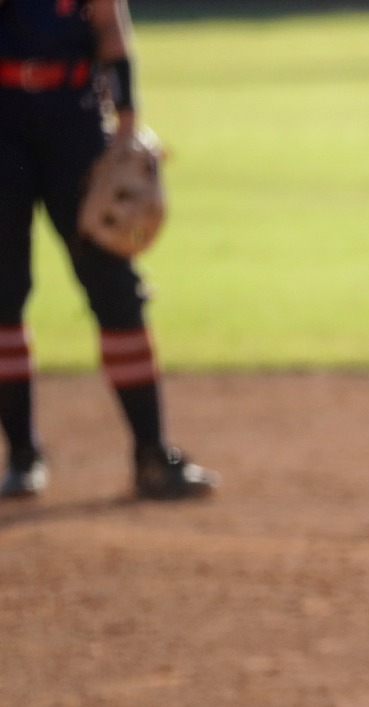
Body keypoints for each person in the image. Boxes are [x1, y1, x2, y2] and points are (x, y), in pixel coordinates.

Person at [0, 0, 215, 499]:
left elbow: (111, 32)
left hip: (73, 124)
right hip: (3, 129)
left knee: (116, 290)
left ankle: (151, 455)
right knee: (3, 298)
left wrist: (127, 125)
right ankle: (22, 457)